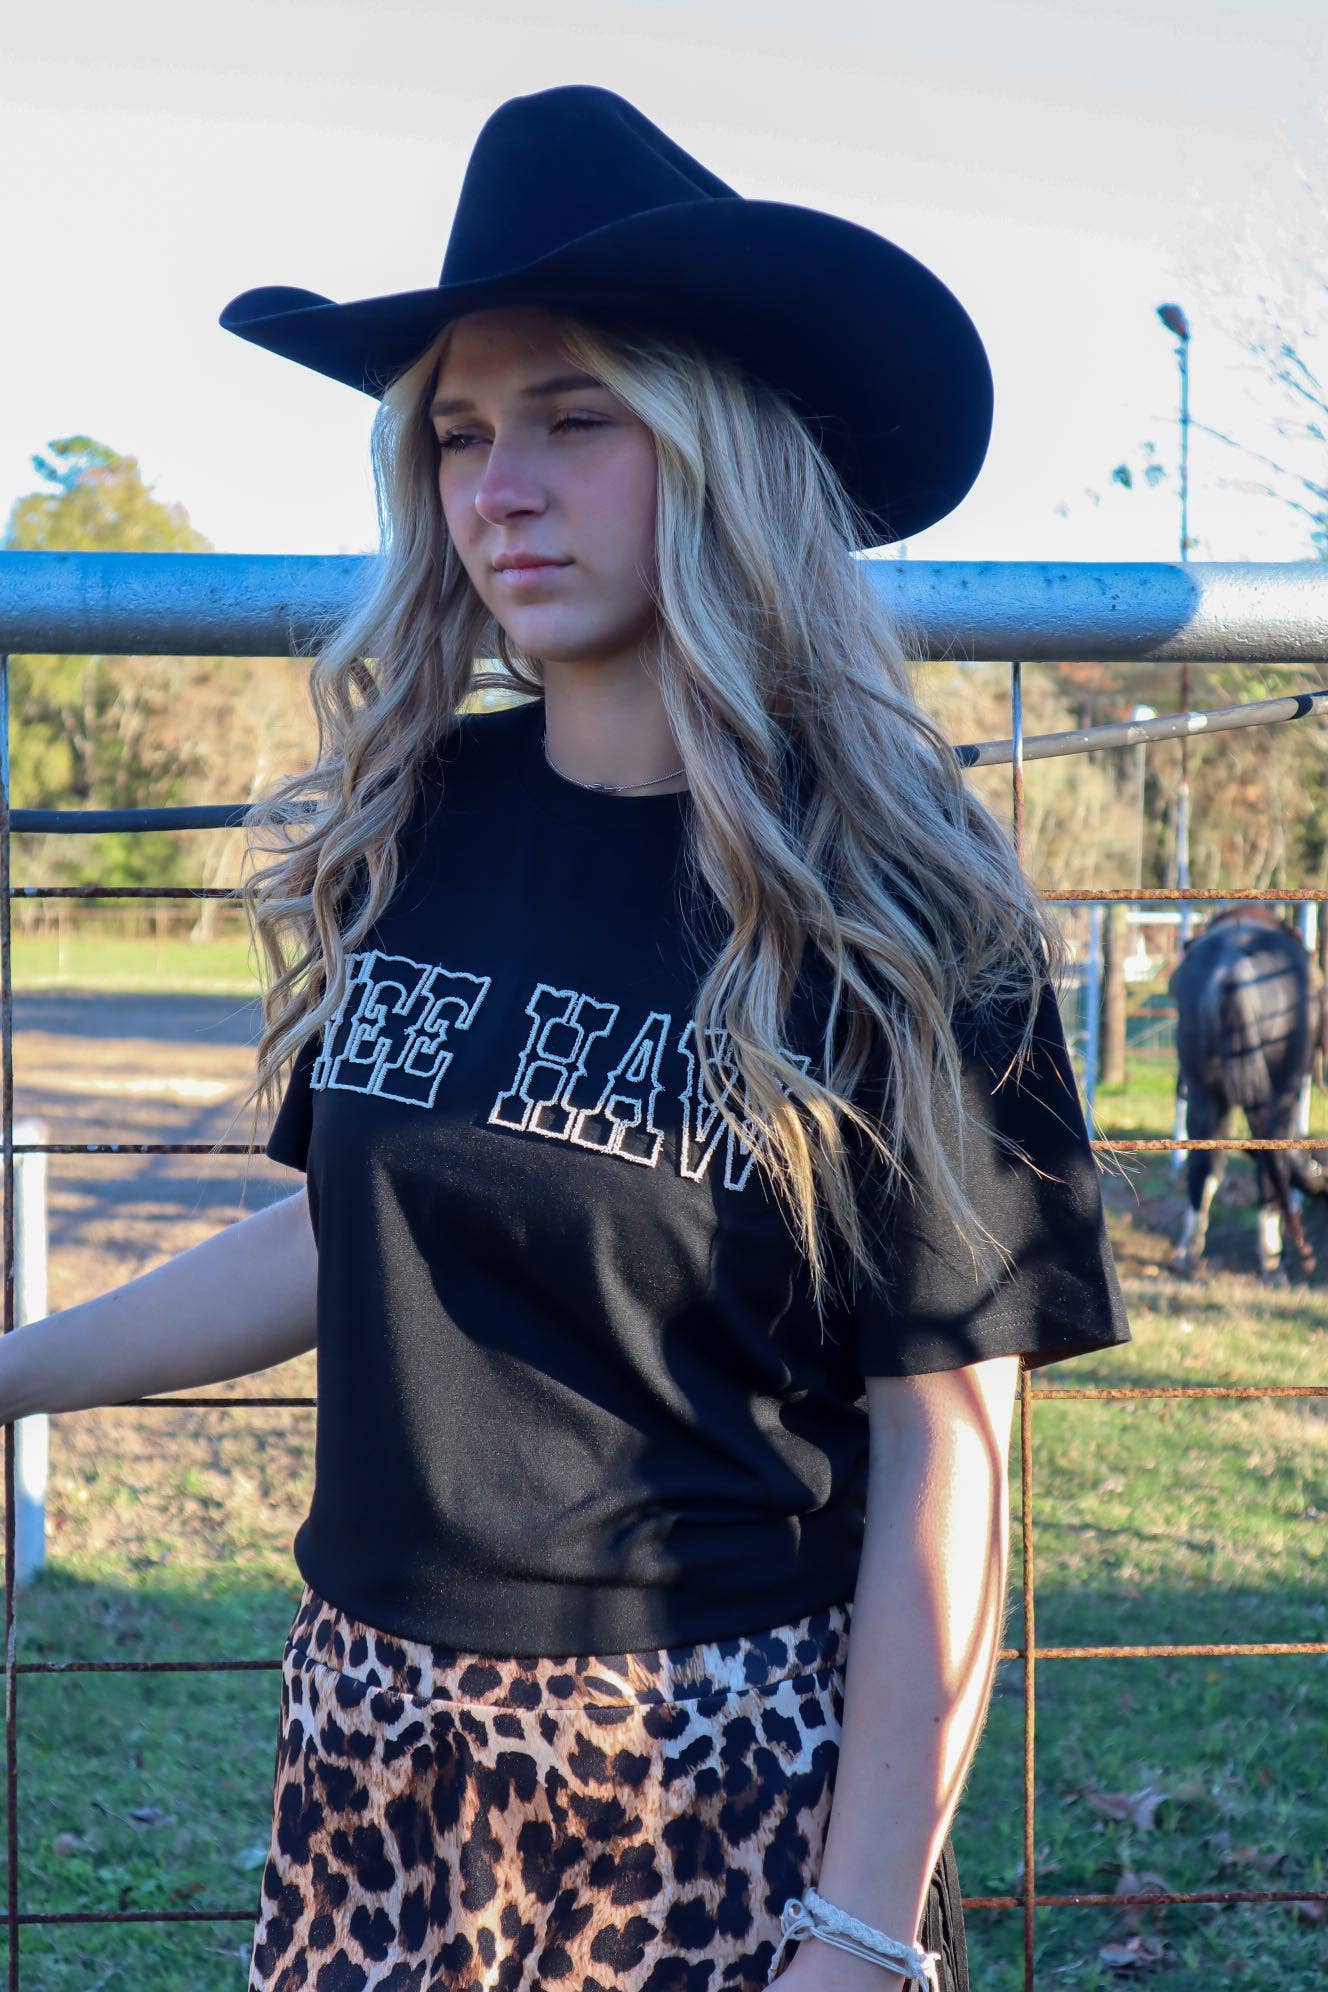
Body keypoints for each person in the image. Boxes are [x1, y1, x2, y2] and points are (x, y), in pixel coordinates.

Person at [4, 85, 1131, 1992]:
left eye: (575, 418)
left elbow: (952, 1455)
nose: (497, 485)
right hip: (369, 1745)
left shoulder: (904, 907)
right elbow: (342, 1235)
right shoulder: (424, 817)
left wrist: (858, 1932)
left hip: (714, 1786)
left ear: (721, 447)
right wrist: (8, 1373)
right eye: (457, 432)